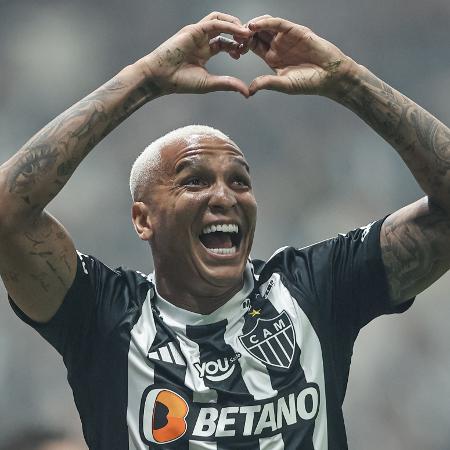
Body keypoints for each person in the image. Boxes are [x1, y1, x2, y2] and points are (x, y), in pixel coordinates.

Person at [0, 11, 449, 450]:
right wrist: (145, 79)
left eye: (240, 180)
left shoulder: (316, 287)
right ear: (142, 219)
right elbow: (7, 213)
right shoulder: (103, 315)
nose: (224, 196)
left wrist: (348, 81)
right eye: (194, 180)